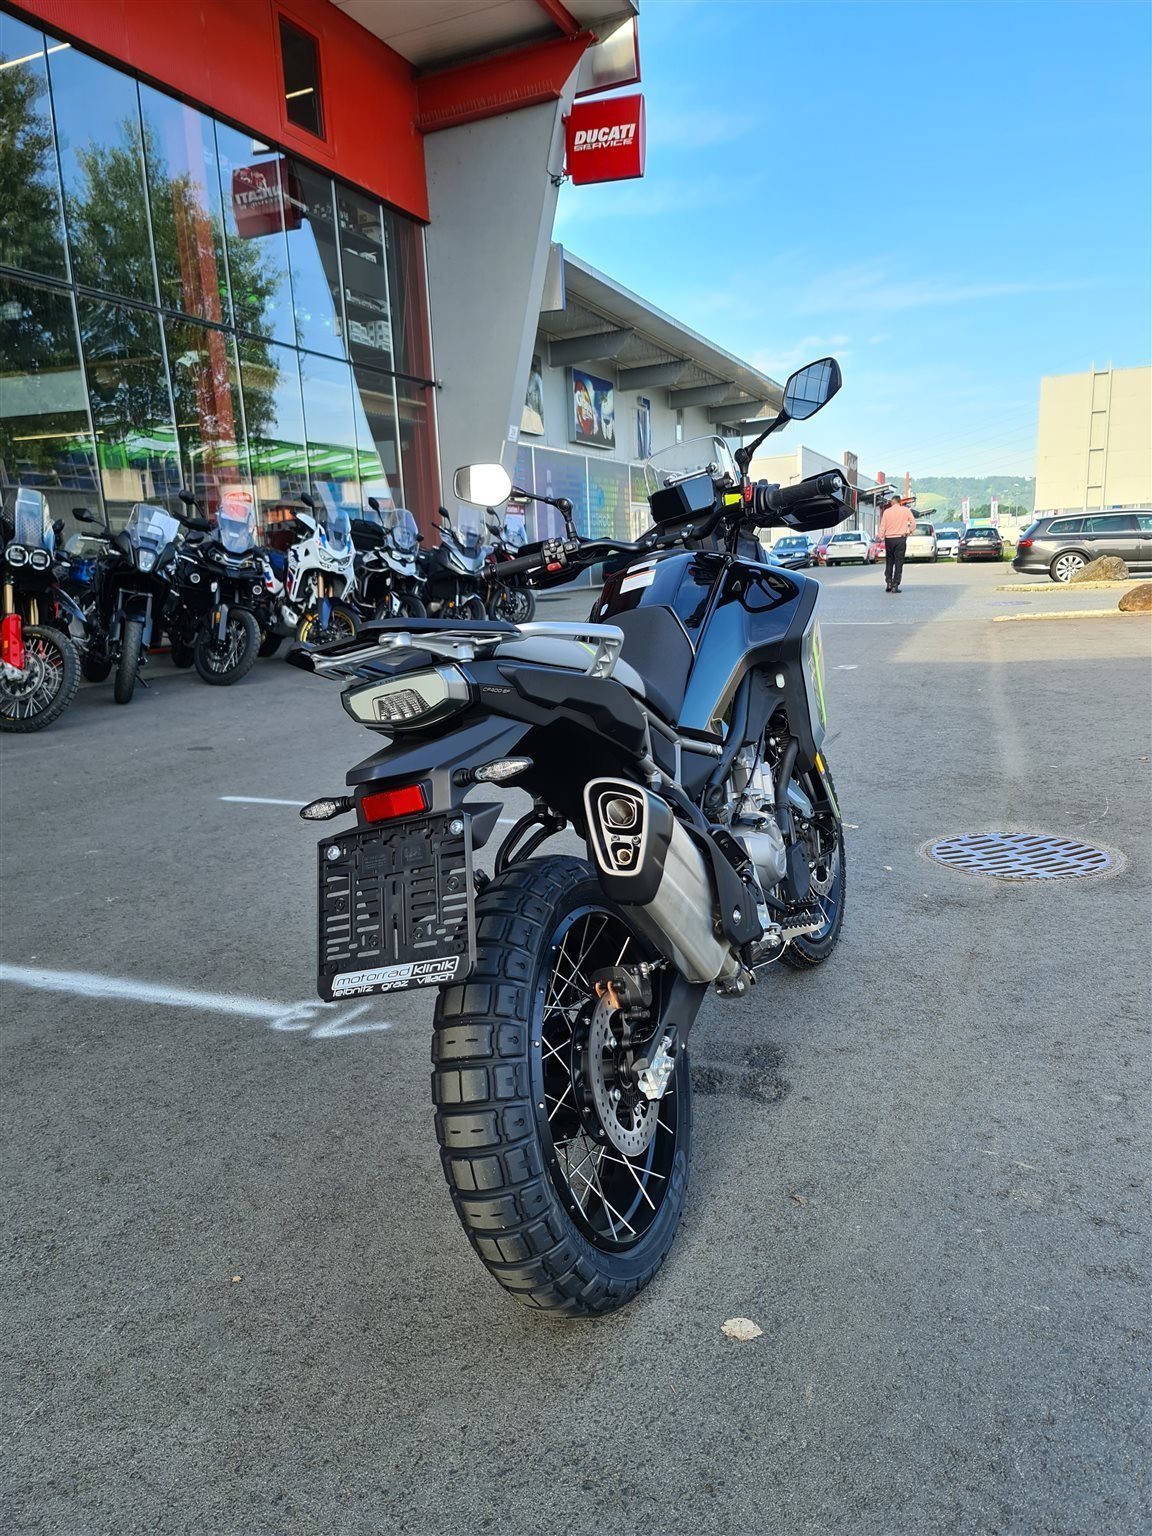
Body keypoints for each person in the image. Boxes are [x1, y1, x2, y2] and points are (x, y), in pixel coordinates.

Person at [877, 496, 917, 592]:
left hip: (889, 539)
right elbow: (913, 522)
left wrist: (880, 536)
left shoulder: (886, 512)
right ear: (900, 502)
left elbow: (882, 526)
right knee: (899, 562)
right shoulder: (906, 510)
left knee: (889, 561)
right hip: (900, 538)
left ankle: (889, 582)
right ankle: (895, 584)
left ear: (893, 502)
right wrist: (909, 531)